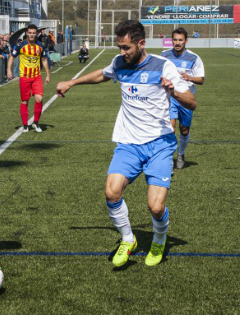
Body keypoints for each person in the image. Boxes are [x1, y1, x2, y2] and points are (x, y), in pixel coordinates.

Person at [56, 20, 197, 267]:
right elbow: (102, 73)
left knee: (155, 207)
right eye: (119, 47)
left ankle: (159, 238)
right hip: (129, 143)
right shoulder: (120, 63)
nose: (122, 52)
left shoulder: (164, 66)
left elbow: (192, 103)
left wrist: (173, 90)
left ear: (141, 43)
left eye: (126, 47)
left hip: (160, 144)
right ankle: (128, 239)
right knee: (112, 191)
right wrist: (71, 82)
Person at [161, 28, 204, 169]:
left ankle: (181, 153)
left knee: (184, 130)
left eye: (180, 40)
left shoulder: (194, 58)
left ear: (186, 41)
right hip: (171, 97)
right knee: (170, 128)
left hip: (186, 98)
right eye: (175, 40)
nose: (177, 43)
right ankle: (167, 159)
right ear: (171, 40)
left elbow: (201, 79)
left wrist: (189, 77)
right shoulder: (164, 56)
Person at [6, 24, 50, 133]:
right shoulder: (20, 45)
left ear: (36, 33)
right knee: (25, 101)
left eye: (34, 33)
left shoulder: (40, 46)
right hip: (24, 77)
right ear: (27, 33)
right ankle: (25, 125)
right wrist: (8, 70)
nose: (32, 35)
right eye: (30, 33)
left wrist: (48, 74)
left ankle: (36, 123)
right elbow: (12, 57)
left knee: (39, 98)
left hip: (36, 77)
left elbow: (44, 60)